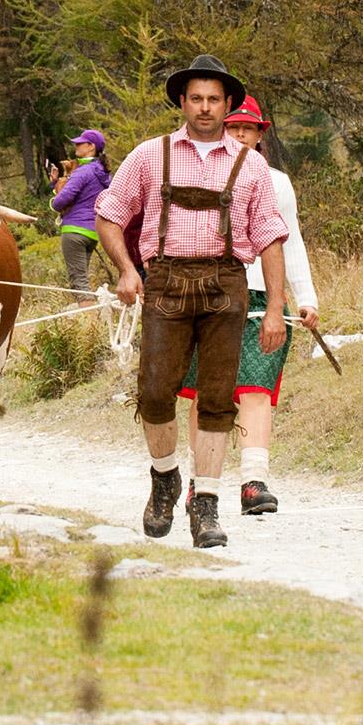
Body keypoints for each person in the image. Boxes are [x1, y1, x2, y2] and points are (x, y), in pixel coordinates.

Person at [93, 54, 288, 549]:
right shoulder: (149, 155)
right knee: (156, 393)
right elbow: (109, 213)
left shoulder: (252, 166)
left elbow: (269, 237)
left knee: (218, 400)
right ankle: (164, 477)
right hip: (166, 283)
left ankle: (206, 506)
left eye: (213, 100)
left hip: (227, 285)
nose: (204, 108)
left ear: (228, 106)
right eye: (196, 98)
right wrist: (127, 269)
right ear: (182, 102)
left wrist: (276, 308)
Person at [174, 96, 319, 516]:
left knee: (255, 388)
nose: (240, 135)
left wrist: (304, 297)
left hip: (262, 299)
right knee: (206, 393)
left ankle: (253, 482)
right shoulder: (197, 173)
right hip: (207, 294)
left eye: (248, 129)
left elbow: (291, 242)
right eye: (233, 127)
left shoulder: (277, 182)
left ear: (260, 135)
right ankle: (201, 482)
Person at [47, 128, 111, 295]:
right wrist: (56, 184)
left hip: (74, 230)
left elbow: (63, 200)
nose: (76, 145)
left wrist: (54, 203)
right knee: (82, 277)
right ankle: (89, 317)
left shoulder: (83, 171)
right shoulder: (103, 172)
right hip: (93, 232)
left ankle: (88, 319)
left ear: (91, 147)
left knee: (78, 282)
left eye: (80, 143)